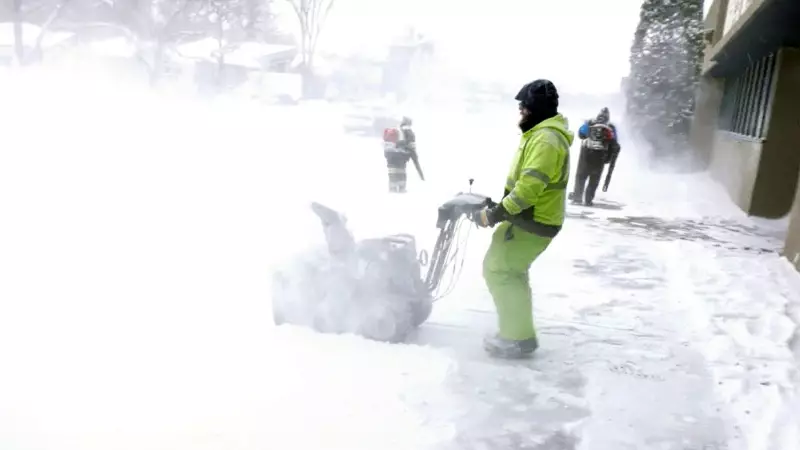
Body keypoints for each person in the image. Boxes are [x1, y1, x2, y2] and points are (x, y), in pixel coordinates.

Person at [471, 79, 574, 358]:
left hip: (532, 221)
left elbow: (529, 189)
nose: (521, 112)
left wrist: (494, 214)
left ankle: (516, 339)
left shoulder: (545, 139)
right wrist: (499, 206)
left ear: (535, 108)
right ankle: (520, 334)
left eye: (524, 107)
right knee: (511, 272)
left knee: (500, 271)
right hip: (532, 218)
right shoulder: (542, 134)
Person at [570, 107, 620, 206]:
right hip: (600, 156)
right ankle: (588, 200)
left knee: (581, 176)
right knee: (594, 179)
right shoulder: (610, 127)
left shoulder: (590, 123)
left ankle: (577, 198)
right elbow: (614, 144)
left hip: (586, 154)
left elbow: (581, 134)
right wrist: (608, 159)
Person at [383, 116, 420, 193]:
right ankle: (401, 188)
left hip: (389, 153)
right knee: (401, 171)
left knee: (392, 170)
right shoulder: (409, 132)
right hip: (401, 155)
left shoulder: (397, 129)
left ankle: (392, 188)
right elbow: (411, 147)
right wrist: (414, 158)